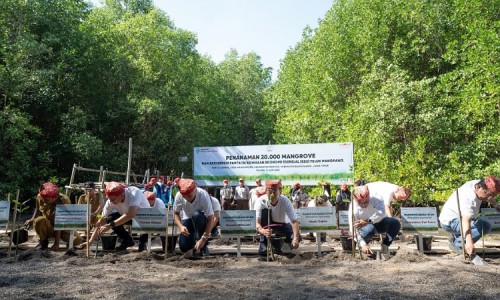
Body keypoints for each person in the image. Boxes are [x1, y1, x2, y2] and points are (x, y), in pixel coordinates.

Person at [79, 181, 150, 251]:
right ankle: (127, 240)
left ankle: (143, 242)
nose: (111, 202)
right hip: (126, 216)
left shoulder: (134, 193)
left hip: (145, 218)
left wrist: (110, 225)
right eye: (110, 199)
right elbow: (101, 221)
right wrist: (90, 242)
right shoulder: (110, 201)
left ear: (121, 195)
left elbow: (131, 214)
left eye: (113, 199)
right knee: (110, 218)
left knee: (113, 223)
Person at [439, 176, 500, 256]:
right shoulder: (469, 197)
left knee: (477, 221)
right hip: (450, 222)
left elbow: (488, 194)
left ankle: (456, 238)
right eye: (488, 194)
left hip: (457, 217)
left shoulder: (480, 183)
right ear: (479, 187)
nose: (489, 198)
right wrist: (469, 243)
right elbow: (466, 220)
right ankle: (458, 244)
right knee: (485, 226)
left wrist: (495, 205)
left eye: (492, 195)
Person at [25, 182, 82, 250]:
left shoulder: (64, 200)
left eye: (47, 200)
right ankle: (43, 242)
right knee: (39, 220)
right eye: (43, 199)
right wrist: (32, 219)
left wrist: (56, 243)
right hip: (48, 225)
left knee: (78, 239)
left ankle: (69, 245)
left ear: (55, 197)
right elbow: (37, 209)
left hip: (62, 226)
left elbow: (60, 222)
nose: (44, 201)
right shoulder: (40, 196)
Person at [348, 185, 401, 255]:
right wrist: (363, 244)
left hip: (381, 222)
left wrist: (368, 221)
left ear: (367, 196)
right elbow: (353, 229)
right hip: (364, 228)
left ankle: (385, 245)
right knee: (370, 229)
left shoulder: (376, 196)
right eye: (360, 202)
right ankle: (363, 248)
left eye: (364, 201)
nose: (363, 204)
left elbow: (381, 212)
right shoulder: (353, 208)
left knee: (395, 223)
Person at [255, 179, 300, 256]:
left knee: (296, 235)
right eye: (270, 192)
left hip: (281, 224)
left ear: (280, 191)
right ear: (266, 192)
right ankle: (264, 246)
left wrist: (295, 238)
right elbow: (257, 223)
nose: (272, 196)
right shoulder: (260, 201)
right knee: (265, 211)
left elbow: (294, 221)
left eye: (275, 192)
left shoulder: (285, 201)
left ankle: (286, 247)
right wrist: (262, 231)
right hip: (266, 225)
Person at [173, 178, 215, 257]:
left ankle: (203, 246)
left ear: (195, 190)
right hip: (188, 219)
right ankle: (194, 243)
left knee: (197, 215)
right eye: (184, 196)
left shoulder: (203, 195)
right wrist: (181, 226)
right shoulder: (179, 196)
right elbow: (176, 214)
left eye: (189, 195)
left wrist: (203, 239)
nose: (187, 198)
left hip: (202, 220)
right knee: (184, 247)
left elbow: (211, 218)